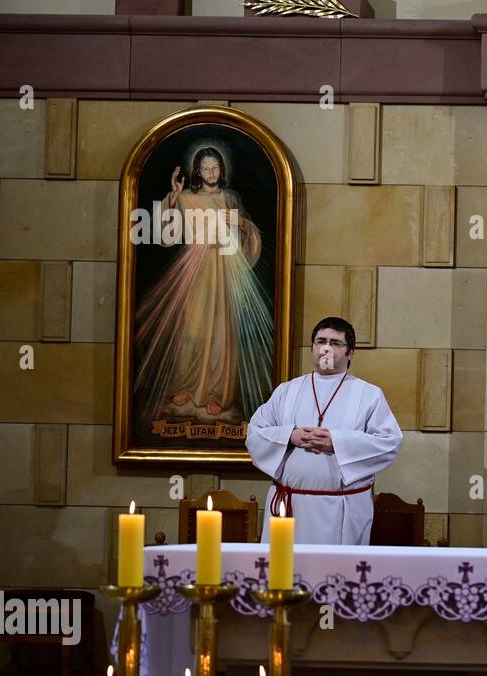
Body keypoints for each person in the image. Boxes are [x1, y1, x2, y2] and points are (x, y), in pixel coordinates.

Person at [134, 146, 273, 425]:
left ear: (222, 170)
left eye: (215, 167)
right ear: (197, 171)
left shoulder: (230, 197)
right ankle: (185, 386)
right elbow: (166, 235)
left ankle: (215, 394)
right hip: (194, 269)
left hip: (225, 267)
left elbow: (250, 235)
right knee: (192, 329)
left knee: (222, 333)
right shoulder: (186, 198)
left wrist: (241, 222)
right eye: (206, 168)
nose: (211, 173)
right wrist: (173, 197)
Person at [247, 316, 402, 544]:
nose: (326, 348)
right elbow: (255, 432)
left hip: (341, 508)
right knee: (284, 574)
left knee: (336, 575)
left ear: (350, 353)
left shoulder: (368, 394)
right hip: (290, 506)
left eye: (335, 343)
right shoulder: (287, 390)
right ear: (313, 347)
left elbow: (388, 442)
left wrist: (337, 442)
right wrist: (290, 436)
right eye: (321, 341)